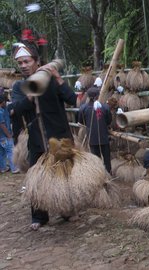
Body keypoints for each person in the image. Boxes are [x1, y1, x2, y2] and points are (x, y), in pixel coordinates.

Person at [10, 40, 77, 230]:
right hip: (37, 140)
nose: (23, 66)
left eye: (27, 61)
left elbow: (72, 99)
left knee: (63, 175)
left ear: (36, 61)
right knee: (36, 177)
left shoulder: (52, 80)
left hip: (59, 138)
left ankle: (66, 210)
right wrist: (32, 90)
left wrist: (56, 76)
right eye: (20, 63)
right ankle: (39, 216)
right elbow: (17, 109)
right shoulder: (18, 87)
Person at [78, 86, 112, 173]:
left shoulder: (83, 108)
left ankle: (99, 174)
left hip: (92, 139)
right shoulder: (105, 107)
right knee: (107, 159)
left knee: (96, 159)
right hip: (104, 138)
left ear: (88, 96)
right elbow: (109, 121)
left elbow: (82, 122)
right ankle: (108, 174)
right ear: (98, 96)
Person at [0, 95, 19, 174]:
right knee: (10, 151)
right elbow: (2, 124)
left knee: (2, 152)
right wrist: (8, 135)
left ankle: (3, 168)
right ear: (2, 102)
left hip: (1, 137)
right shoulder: (0, 112)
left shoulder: (3, 110)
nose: (6, 103)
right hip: (5, 136)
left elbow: (7, 117)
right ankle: (14, 168)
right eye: (5, 102)